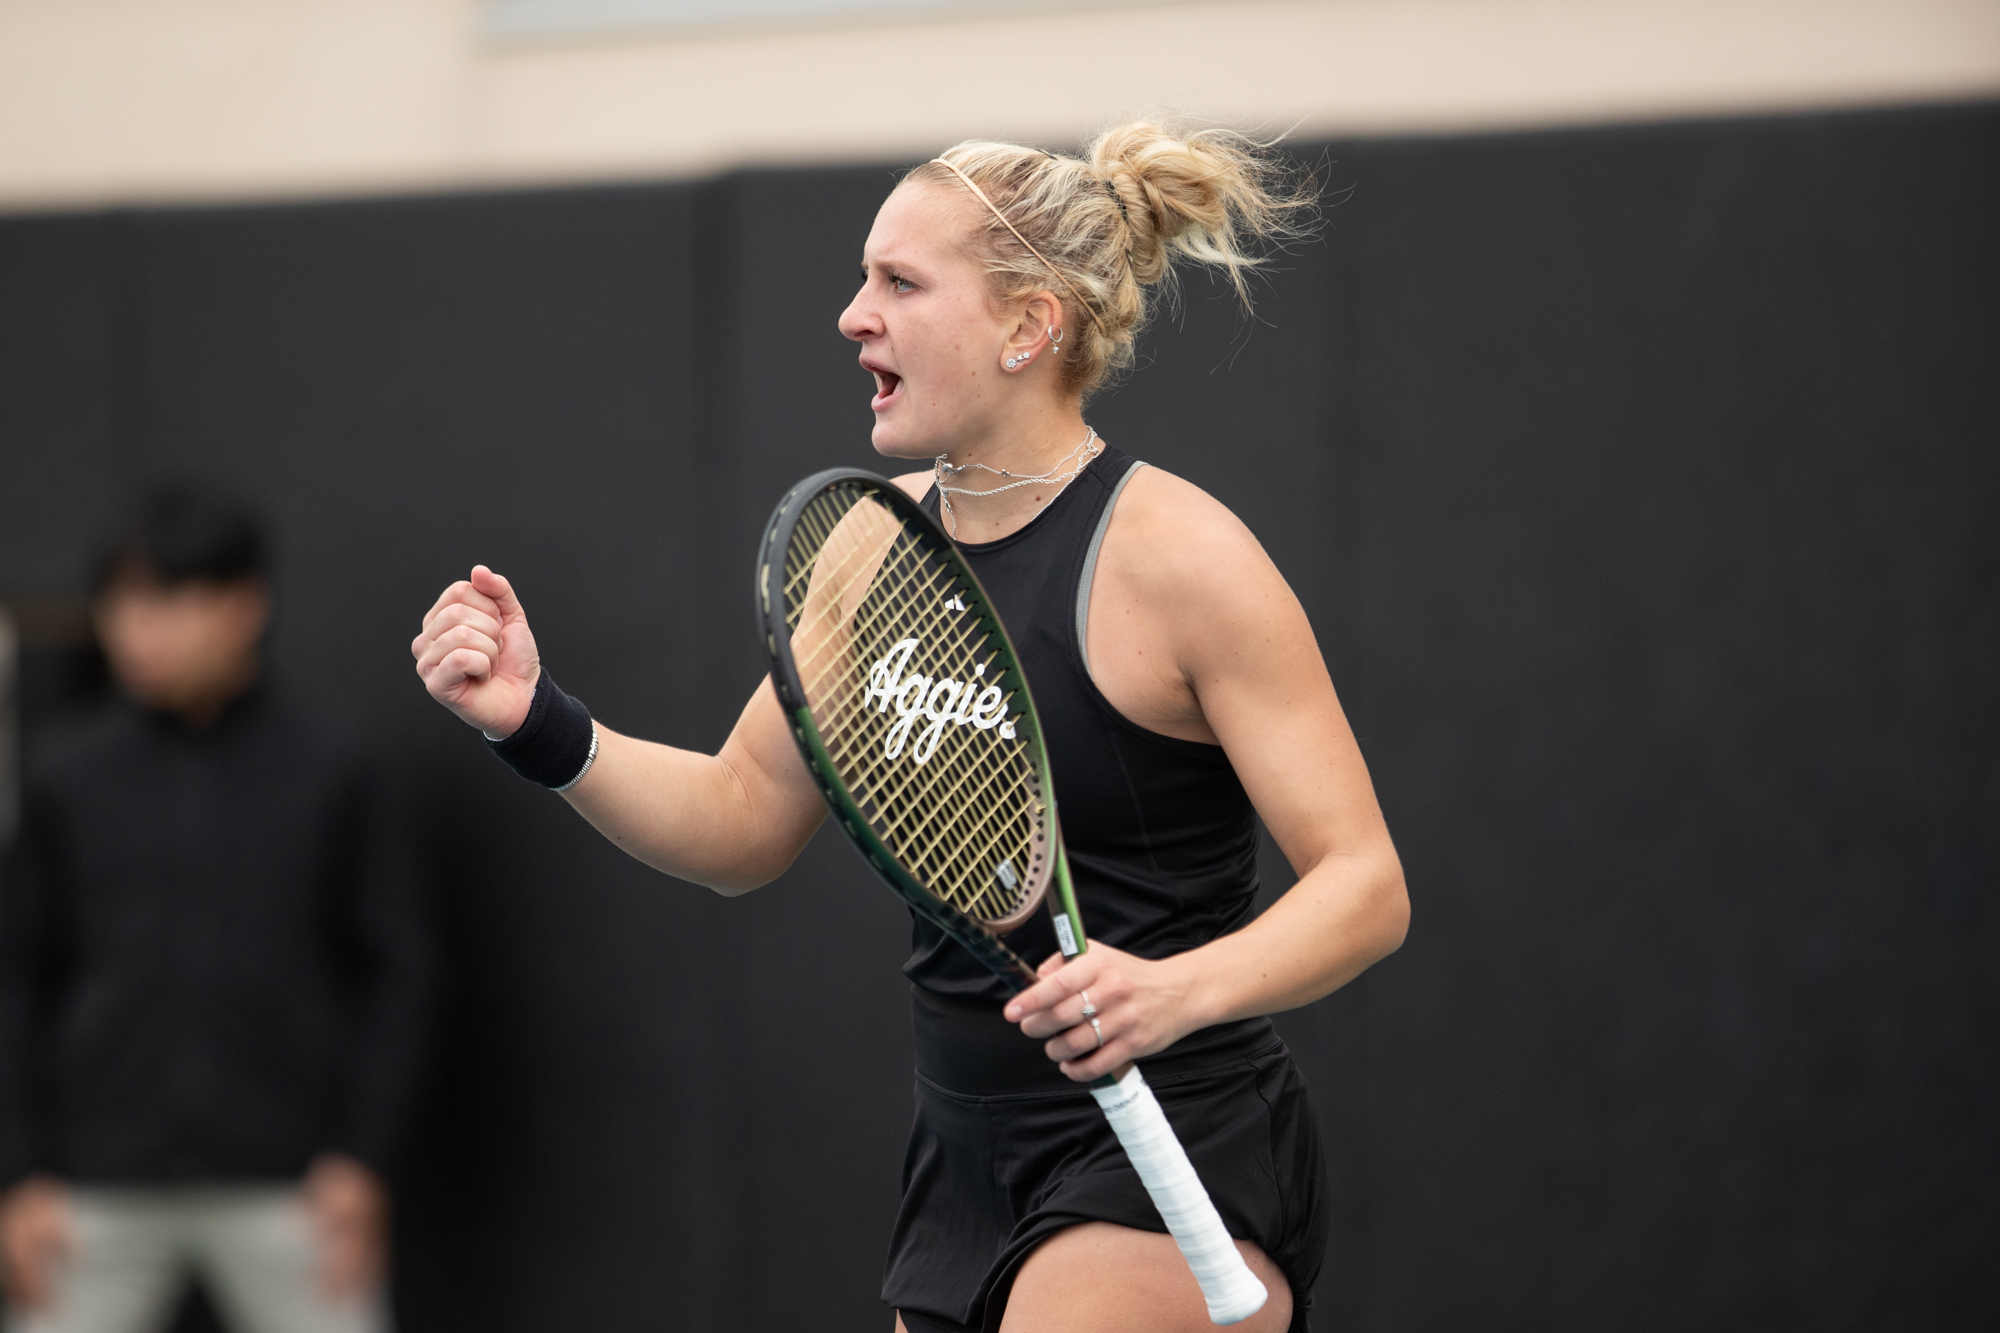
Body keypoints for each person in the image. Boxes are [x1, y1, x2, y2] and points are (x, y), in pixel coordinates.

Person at [410, 121, 1409, 1333]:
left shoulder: (1181, 558)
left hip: (1172, 1132)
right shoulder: (872, 545)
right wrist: (537, 722)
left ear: (1026, 325)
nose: (850, 314)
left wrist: (1170, 990)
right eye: (860, 276)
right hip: (958, 1158)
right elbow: (738, 821)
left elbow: (1363, 885)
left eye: (898, 281)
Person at [0, 487, 429, 1333]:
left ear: (243, 605)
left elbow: (398, 972)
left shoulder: (334, 764)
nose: (139, 629)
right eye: (121, 603)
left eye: (169, 599)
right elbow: (14, 974)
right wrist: (17, 1170)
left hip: (294, 1185)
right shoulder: (65, 774)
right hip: (92, 1189)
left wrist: (360, 1156)